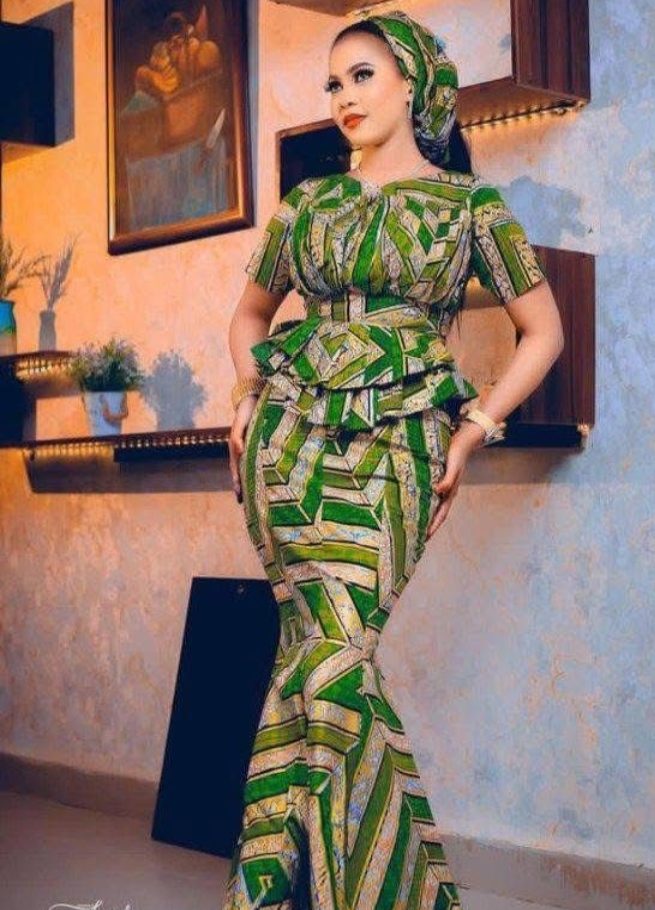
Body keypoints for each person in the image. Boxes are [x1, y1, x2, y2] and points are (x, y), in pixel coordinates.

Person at [224, 9, 564, 909]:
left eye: (362, 75)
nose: (343, 96)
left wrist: (474, 426)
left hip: (403, 442)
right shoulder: (307, 205)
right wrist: (247, 393)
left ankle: (278, 888)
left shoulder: (469, 207)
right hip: (287, 444)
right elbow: (250, 316)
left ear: (412, 82)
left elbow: (543, 331)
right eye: (333, 83)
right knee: (314, 655)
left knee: (329, 657)